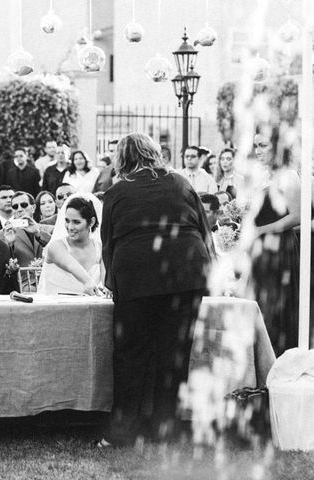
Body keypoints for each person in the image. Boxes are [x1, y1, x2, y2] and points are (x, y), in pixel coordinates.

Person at [99, 133, 213, 447]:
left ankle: (123, 432)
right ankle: (168, 429)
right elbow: (204, 231)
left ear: (122, 159)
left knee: (131, 355)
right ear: (153, 154)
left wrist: (112, 282)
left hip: (137, 274)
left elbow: (107, 242)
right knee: (173, 355)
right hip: (187, 274)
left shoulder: (117, 191)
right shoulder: (180, 183)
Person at [250, 127, 314, 356]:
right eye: (255, 145)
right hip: (266, 246)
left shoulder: (289, 176)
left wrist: (260, 230)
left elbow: (300, 216)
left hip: (284, 246)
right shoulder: (264, 176)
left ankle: (280, 357)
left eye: (263, 145)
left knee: (279, 307)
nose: (257, 150)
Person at [37, 194, 104, 296]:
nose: (70, 227)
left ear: (92, 222)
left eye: (76, 222)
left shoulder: (100, 249)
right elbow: (71, 265)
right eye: (67, 221)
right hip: (55, 308)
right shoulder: (55, 247)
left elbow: (106, 282)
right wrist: (88, 281)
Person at [0, 191, 51, 268]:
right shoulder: (3, 233)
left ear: (33, 208)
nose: (19, 209)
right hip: (22, 279)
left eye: (24, 205)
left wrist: (38, 233)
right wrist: (9, 244)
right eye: (15, 207)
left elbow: (59, 251)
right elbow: (0, 263)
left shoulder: (49, 229)